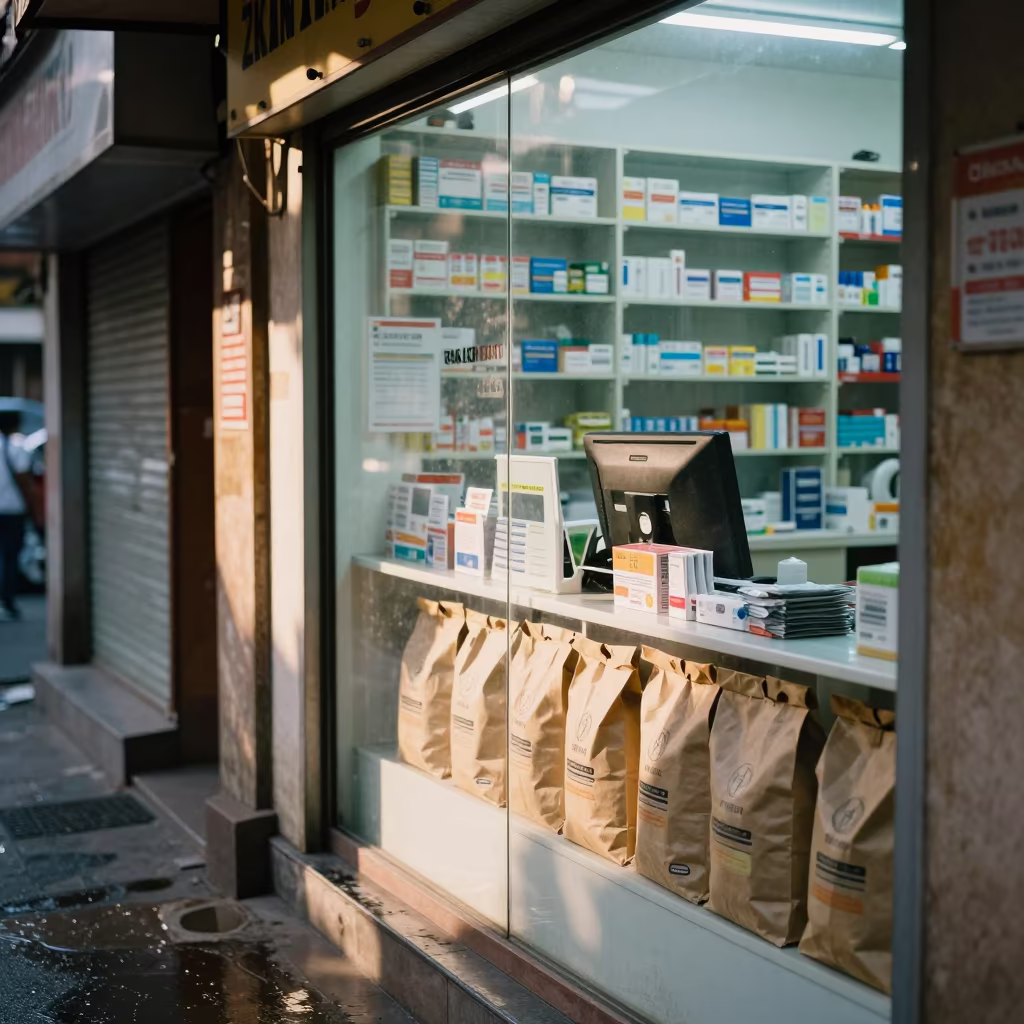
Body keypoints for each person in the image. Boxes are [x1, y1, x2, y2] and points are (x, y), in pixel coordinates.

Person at [0, 410, 30, 621]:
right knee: (10, 557)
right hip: (12, 510)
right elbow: (24, 480)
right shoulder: (17, 447)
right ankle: (7, 601)